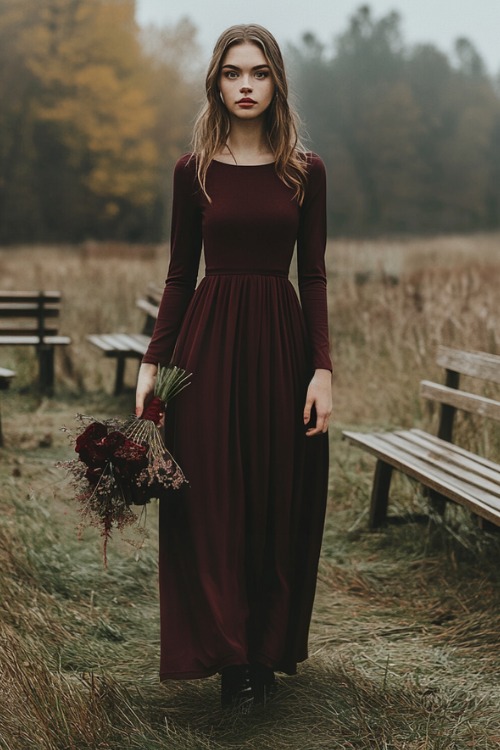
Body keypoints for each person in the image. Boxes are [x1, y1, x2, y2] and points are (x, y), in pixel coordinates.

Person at [135, 23, 332, 709]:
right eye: (232, 73)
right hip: (208, 350)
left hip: (280, 349)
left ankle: (265, 650)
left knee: (274, 502)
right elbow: (178, 277)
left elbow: (313, 277)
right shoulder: (194, 172)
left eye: (258, 73)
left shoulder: (304, 171)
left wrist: (323, 370)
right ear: (215, 83)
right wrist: (153, 362)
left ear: (276, 82)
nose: (245, 85)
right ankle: (231, 662)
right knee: (212, 504)